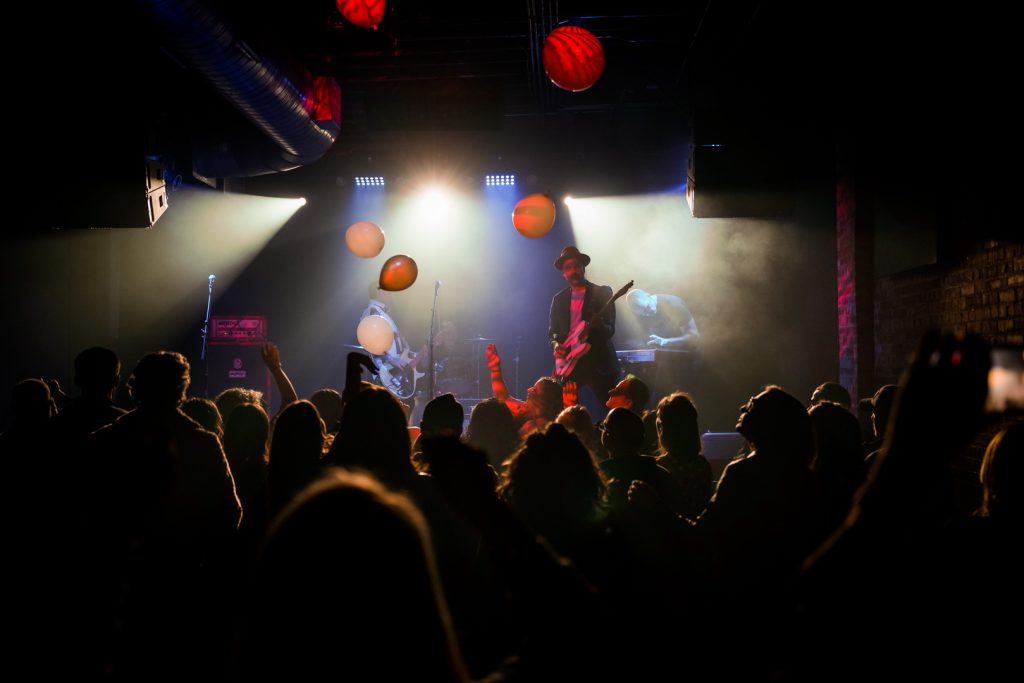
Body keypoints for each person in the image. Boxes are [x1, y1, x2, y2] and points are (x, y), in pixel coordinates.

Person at [549, 246, 620, 418]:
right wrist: (557, 345)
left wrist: (599, 325)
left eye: (576, 266)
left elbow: (610, 329)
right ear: (563, 273)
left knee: (612, 411)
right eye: (568, 268)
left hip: (599, 362)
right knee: (560, 410)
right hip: (571, 363)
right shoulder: (559, 300)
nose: (573, 271)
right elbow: (553, 333)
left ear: (583, 268)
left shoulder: (602, 292)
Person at [362, 285, 424, 400]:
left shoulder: (380, 312)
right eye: (389, 292)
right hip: (386, 372)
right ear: (380, 292)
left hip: (392, 372)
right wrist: (391, 359)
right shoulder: (374, 311)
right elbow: (371, 342)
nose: (392, 295)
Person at [626, 288, 699, 350]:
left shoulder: (673, 304)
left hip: (691, 356)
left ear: (648, 295)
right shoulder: (645, 312)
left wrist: (666, 342)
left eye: (647, 307)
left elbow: (694, 336)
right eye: (643, 313)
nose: (648, 313)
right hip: (670, 358)